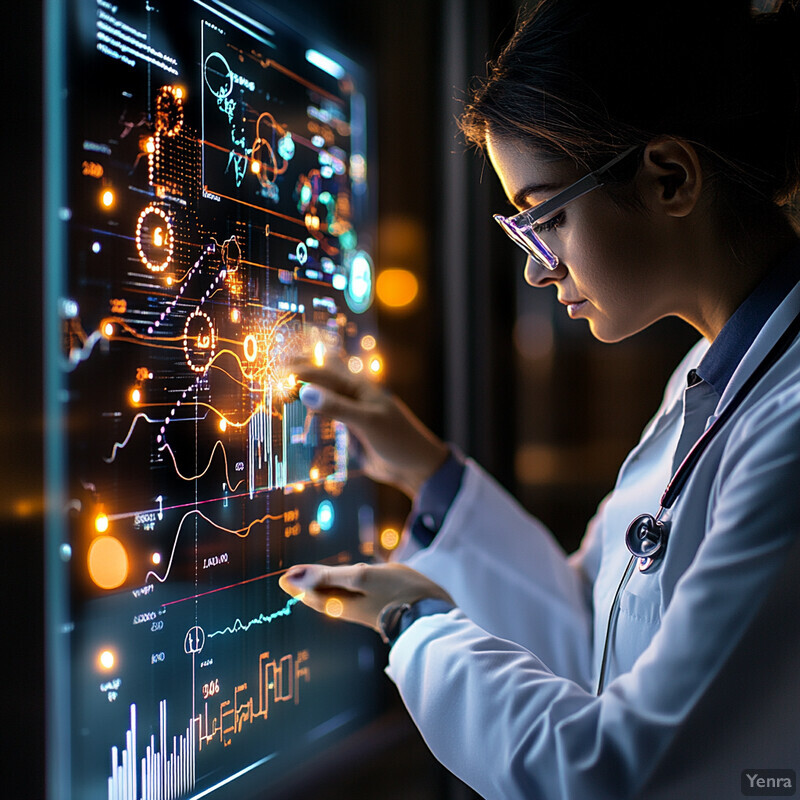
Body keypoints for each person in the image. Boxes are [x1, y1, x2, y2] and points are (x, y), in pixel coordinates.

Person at [279, 0, 800, 797]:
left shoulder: (787, 428)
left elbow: (617, 771)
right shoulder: (709, 378)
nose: (536, 267)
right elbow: (591, 636)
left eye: (545, 216)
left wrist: (413, 625)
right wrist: (431, 474)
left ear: (670, 177)